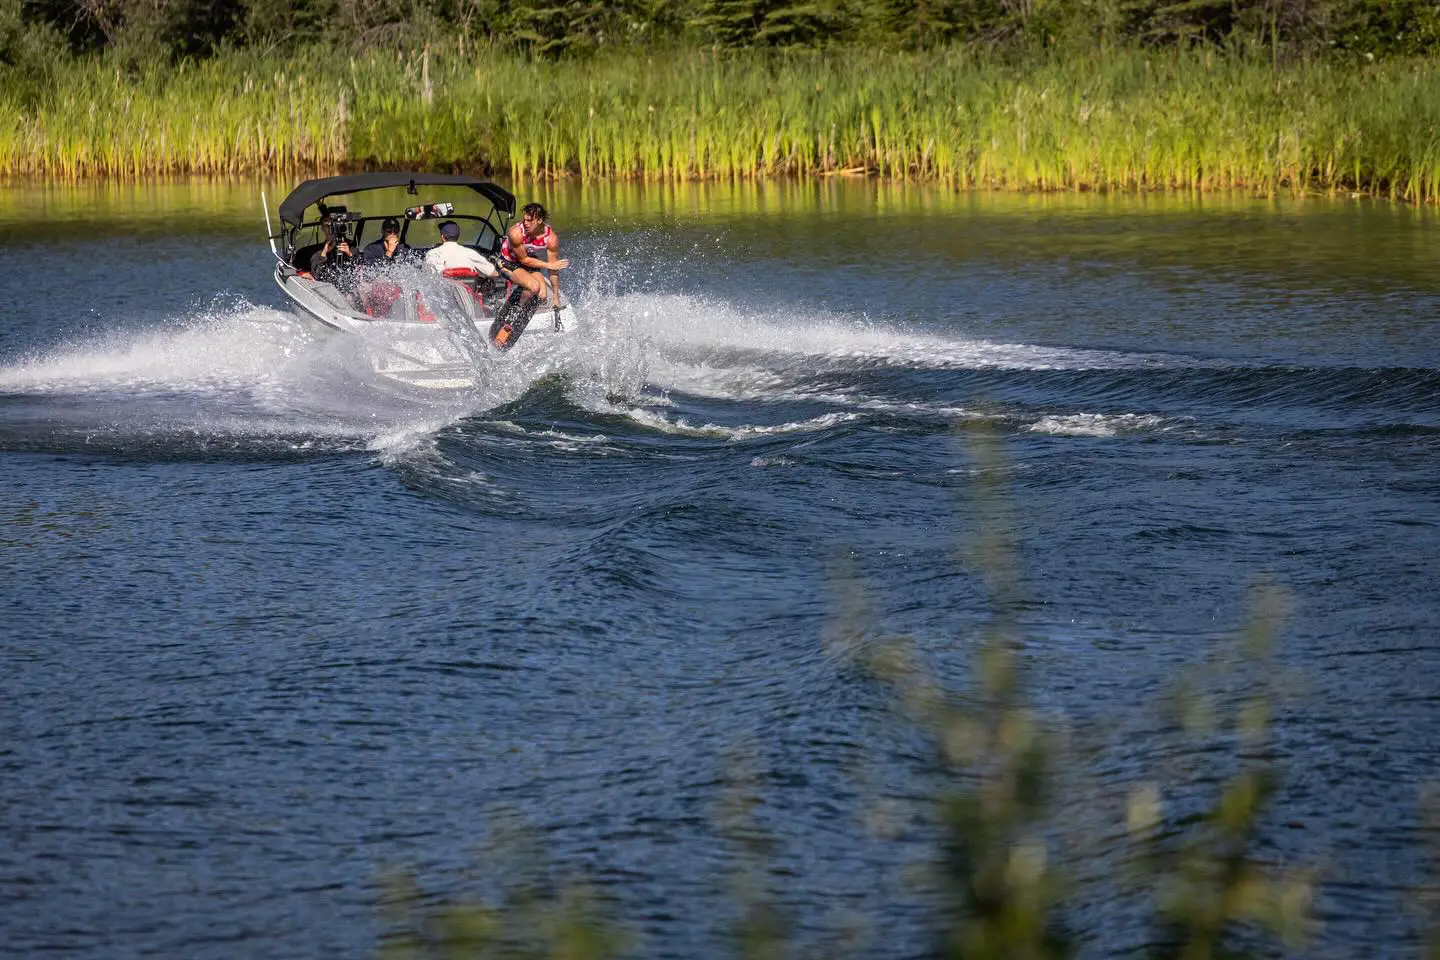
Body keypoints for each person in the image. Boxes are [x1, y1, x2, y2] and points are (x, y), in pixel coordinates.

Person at [491, 202, 569, 349]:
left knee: (542, 296)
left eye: (529, 221)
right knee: (533, 287)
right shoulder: (516, 233)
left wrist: (557, 297)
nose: (525, 223)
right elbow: (524, 260)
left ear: (540, 220)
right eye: (524, 219)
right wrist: (548, 265)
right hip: (508, 263)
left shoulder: (551, 238)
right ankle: (504, 322)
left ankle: (515, 327)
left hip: (529, 264)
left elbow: (553, 270)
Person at [424, 220, 499, 277]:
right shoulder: (470, 253)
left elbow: (426, 277)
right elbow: (493, 273)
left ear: (442, 237)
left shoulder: (431, 254)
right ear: (458, 236)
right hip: (468, 296)